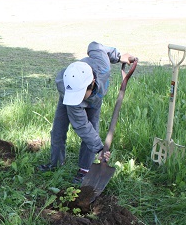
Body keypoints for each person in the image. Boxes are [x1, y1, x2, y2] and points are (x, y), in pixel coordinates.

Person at [38, 42, 135, 184]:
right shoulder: (65, 86)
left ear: (92, 82)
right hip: (68, 99)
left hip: (95, 101)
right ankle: (56, 163)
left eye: (81, 93)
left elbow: (95, 46)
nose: (80, 98)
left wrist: (118, 56)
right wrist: (99, 148)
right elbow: (81, 125)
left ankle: (85, 169)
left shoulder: (102, 66)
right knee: (58, 129)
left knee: (93, 129)